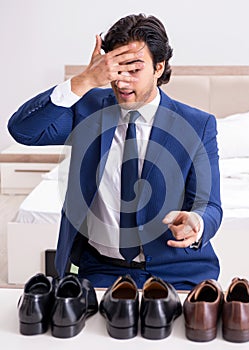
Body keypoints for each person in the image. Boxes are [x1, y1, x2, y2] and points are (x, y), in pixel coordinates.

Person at [8, 13, 222, 290]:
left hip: (178, 271)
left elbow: (211, 206)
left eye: (134, 70)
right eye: (116, 69)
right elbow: (23, 130)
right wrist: (84, 81)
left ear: (159, 67)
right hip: (101, 269)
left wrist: (197, 223)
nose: (122, 82)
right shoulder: (88, 107)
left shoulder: (197, 125)